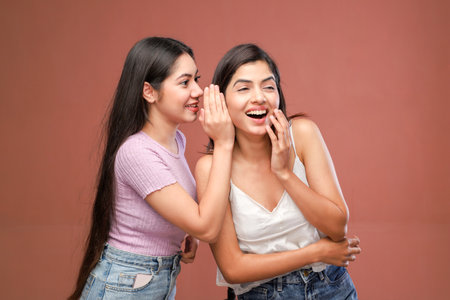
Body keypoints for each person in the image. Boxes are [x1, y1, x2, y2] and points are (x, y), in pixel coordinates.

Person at [69, 37, 234, 300]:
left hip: (154, 279)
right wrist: (224, 143)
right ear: (149, 92)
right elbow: (208, 227)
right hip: (126, 284)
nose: (198, 91)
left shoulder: (176, 140)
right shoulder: (137, 152)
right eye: (184, 82)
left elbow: (186, 214)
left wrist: (185, 228)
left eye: (196, 79)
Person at [195, 44, 361, 299]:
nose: (259, 97)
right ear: (221, 100)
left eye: (268, 86)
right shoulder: (211, 168)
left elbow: (338, 226)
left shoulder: (303, 134)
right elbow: (232, 268)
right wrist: (315, 253)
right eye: (243, 88)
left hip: (332, 287)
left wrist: (285, 173)